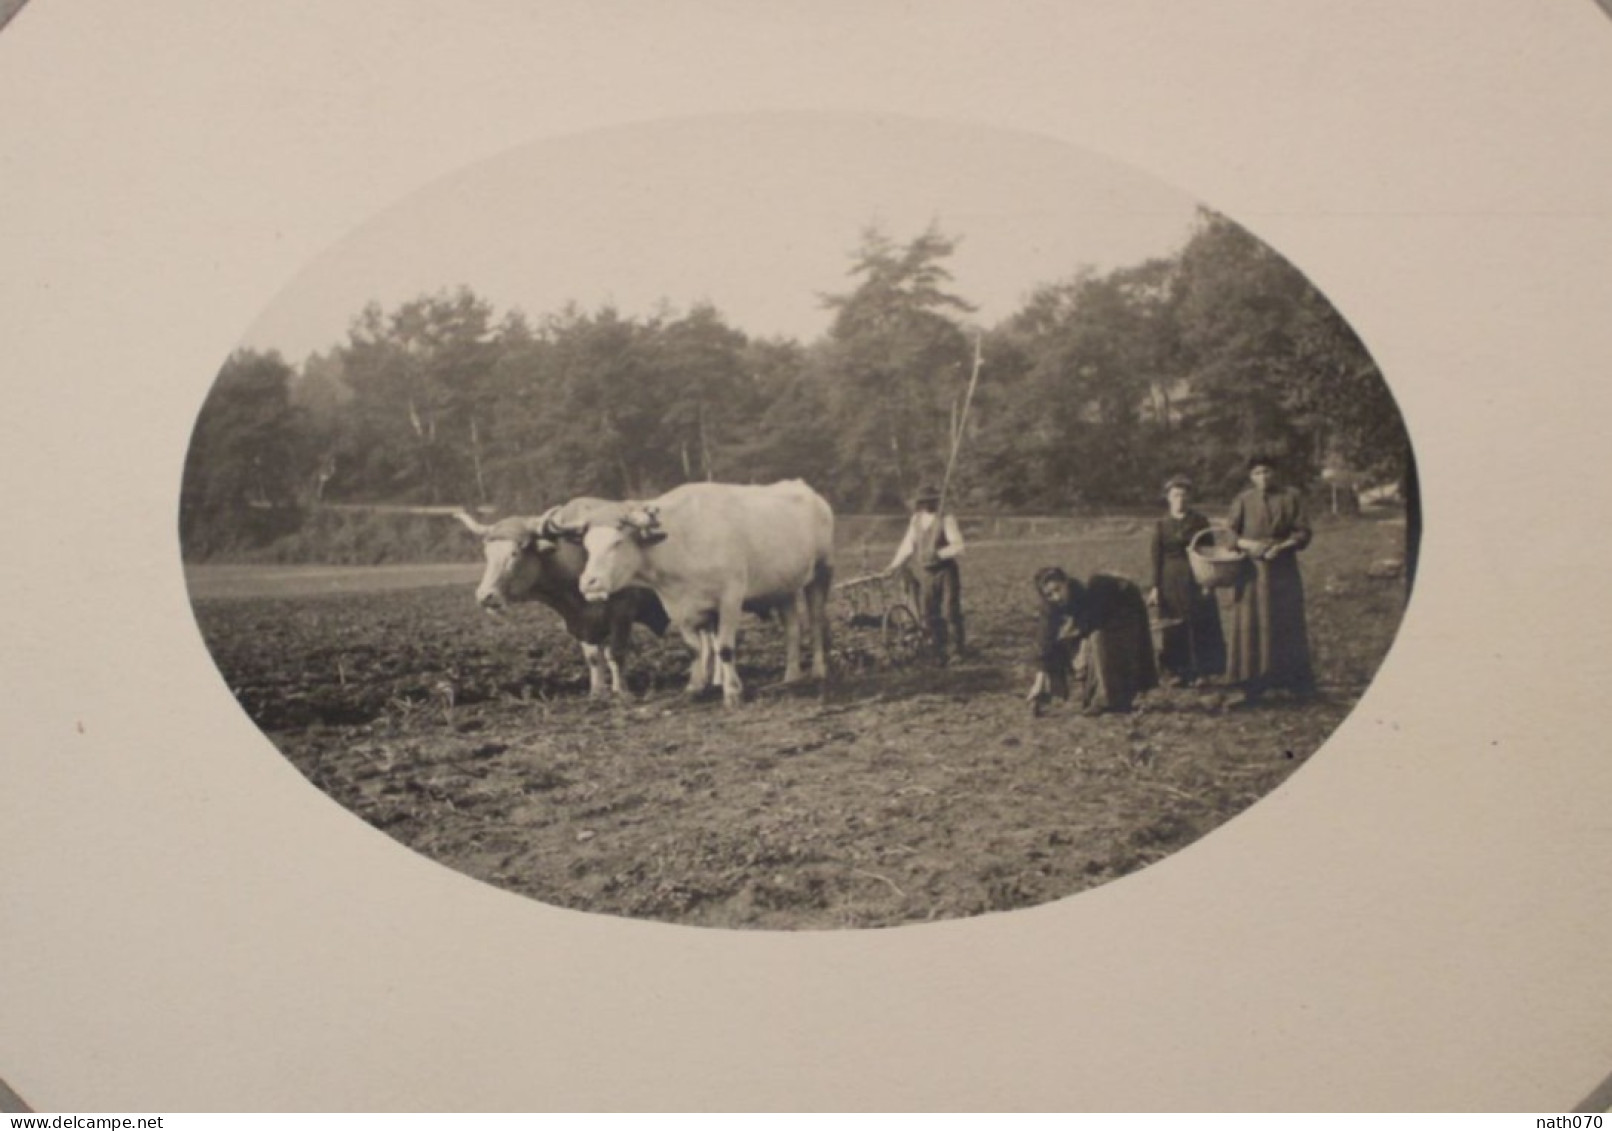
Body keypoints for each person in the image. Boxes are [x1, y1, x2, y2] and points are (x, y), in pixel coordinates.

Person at [1225, 453, 1317, 705]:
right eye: (1257, 473)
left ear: (1275, 473)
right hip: (1251, 573)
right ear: (1250, 477)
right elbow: (1229, 533)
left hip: (1282, 570)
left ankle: (1293, 682)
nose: (1262, 477)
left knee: (1285, 621)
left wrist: (1283, 546)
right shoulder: (1243, 500)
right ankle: (1250, 685)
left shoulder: (1291, 496)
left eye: (1266, 472)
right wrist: (1246, 544)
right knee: (1251, 624)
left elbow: (1303, 531)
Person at [1026, 566, 1158, 715]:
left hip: (1124, 603)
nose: (1056, 597)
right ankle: (1064, 696)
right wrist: (1039, 680)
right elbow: (1045, 641)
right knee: (1063, 645)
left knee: (1101, 643)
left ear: (1066, 583)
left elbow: (1091, 626)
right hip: (1099, 612)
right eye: (1050, 594)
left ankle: (1110, 700)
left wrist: (1080, 649)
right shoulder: (1049, 607)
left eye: (1058, 589)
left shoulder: (1086, 593)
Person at [1147, 475, 1227, 687]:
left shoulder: (1200, 522)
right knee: (1173, 624)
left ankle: (1202, 671)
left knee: (1200, 622)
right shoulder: (1161, 525)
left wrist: (1209, 581)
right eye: (1175, 495)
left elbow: (1209, 551)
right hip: (1170, 579)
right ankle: (1178, 672)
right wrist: (1155, 587)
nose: (1180, 499)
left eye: (1184, 495)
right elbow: (1157, 557)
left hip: (1196, 576)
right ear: (1168, 498)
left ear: (1189, 497)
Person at [883, 483, 966, 663]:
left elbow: (959, 547)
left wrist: (939, 553)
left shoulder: (946, 519)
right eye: (923, 502)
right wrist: (894, 565)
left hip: (946, 571)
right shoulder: (916, 520)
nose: (927, 505)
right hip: (926, 573)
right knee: (929, 611)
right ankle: (937, 648)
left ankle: (955, 651)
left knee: (949, 610)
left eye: (931, 501)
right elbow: (907, 545)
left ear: (937, 502)